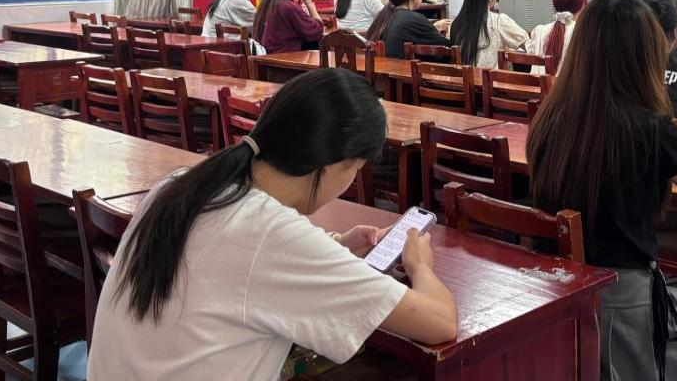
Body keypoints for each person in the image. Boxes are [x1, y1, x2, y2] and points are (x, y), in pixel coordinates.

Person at [88, 69, 458, 379]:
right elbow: (440, 322)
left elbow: (236, 265)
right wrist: (420, 266)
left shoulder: (181, 186)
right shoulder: (269, 235)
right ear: (335, 165)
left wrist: (334, 247)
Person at [527, 0, 677, 381]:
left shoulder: (548, 119)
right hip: (620, 312)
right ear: (646, 54)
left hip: (555, 295)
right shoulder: (651, 128)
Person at [449, 0, 528, 69]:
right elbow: (527, 44)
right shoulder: (499, 21)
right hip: (492, 78)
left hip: (463, 78)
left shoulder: (456, 23)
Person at [366, 0, 452, 59]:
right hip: (402, 66)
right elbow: (448, 47)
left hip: (385, 65)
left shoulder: (386, 15)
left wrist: (433, 28)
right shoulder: (412, 18)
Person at [523, 0, 587, 75]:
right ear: (581, 7)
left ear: (554, 6)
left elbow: (530, 51)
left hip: (538, 84)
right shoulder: (583, 33)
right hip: (566, 85)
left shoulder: (540, 31)